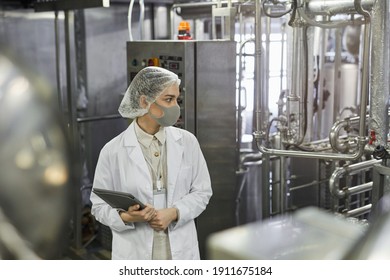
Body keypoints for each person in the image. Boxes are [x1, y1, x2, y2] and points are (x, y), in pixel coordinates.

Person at [90, 66, 212, 260]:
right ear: (145, 101)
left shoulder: (187, 142)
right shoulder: (113, 150)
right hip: (134, 251)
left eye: (176, 99)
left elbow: (202, 192)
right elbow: (98, 206)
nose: (175, 107)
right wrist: (128, 217)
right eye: (168, 100)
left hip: (180, 249)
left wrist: (174, 212)